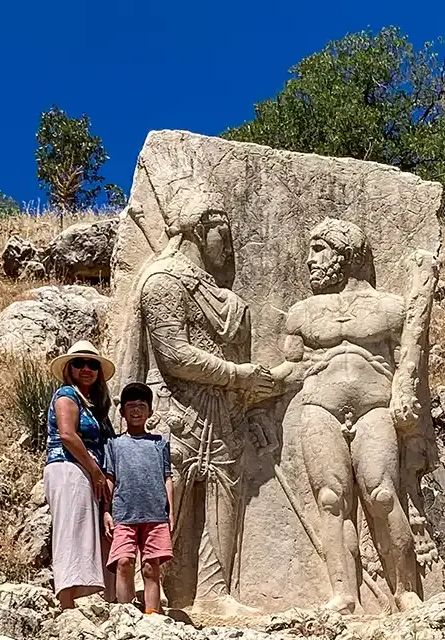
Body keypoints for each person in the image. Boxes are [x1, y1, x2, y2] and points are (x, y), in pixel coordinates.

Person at [114, 189, 275, 607]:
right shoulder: (162, 281)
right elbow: (174, 354)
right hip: (175, 406)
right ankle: (161, 590)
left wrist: (252, 402)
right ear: (202, 230)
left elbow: (239, 361)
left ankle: (215, 592)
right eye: (225, 232)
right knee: (170, 497)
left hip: (223, 411)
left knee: (225, 492)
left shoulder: (228, 300)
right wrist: (237, 376)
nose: (230, 245)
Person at [271, 219, 440, 613]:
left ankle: (405, 590)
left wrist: (408, 400)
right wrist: (253, 382)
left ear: (345, 254)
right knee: (331, 499)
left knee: (382, 494)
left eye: (319, 249)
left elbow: (409, 365)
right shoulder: (302, 313)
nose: (310, 260)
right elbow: (292, 368)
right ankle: (344, 592)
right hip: (319, 408)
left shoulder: (392, 308)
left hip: (374, 407)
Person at [43, 341, 116, 609]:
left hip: (83, 471)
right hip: (68, 467)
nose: (86, 369)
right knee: (71, 530)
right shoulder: (66, 395)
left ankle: (83, 597)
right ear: (69, 368)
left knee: (84, 531)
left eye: (92, 364)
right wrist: (95, 470)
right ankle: (66, 602)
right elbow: (67, 435)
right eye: (80, 363)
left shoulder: (95, 406)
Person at [103, 382, 174, 614]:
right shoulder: (114, 444)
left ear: (150, 412)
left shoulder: (160, 443)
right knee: (123, 562)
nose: (136, 411)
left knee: (151, 567)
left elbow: (167, 478)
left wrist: (170, 511)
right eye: (130, 406)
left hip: (155, 514)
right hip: (124, 513)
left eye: (141, 406)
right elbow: (110, 478)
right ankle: (125, 617)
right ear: (122, 412)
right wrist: (106, 510)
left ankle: (152, 616)